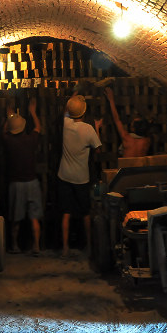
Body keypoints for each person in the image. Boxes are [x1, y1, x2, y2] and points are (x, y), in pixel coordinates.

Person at [57, 93, 102, 259]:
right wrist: (98, 127)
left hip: (64, 174)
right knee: (85, 213)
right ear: (84, 112)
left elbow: (66, 112)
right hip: (81, 178)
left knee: (66, 212)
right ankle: (89, 246)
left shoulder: (65, 124)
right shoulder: (88, 129)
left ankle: (65, 248)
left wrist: (73, 97)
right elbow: (98, 149)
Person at [2, 96, 43, 256]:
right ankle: (36, 246)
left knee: (16, 218)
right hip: (32, 182)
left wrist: (9, 115)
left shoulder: (9, 141)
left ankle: (14, 246)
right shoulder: (31, 139)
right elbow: (38, 127)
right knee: (34, 217)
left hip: (16, 185)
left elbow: (4, 131)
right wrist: (33, 112)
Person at [104, 87, 151, 158]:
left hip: (126, 165)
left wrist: (111, 100)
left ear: (133, 129)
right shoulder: (147, 141)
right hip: (140, 165)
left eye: (132, 123)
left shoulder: (126, 138)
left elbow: (117, 120)